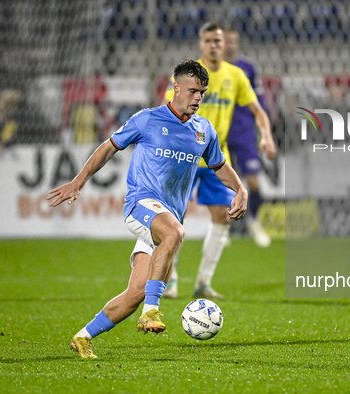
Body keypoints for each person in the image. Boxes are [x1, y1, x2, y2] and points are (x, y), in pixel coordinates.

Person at [48, 59, 247, 358]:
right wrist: (79, 181)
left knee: (136, 293)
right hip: (141, 204)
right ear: (176, 86)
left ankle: (84, 336)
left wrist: (240, 188)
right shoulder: (147, 119)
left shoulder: (204, 130)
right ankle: (152, 312)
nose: (197, 98)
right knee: (175, 233)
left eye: (202, 93)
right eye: (193, 91)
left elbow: (219, 166)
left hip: (165, 218)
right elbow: (108, 146)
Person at [162, 22, 276, 300]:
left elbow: (257, 110)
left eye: (218, 40)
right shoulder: (187, 75)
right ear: (201, 44)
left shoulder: (235, 75)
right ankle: (171, 279)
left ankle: (203, 283)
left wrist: (267, 137)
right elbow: (168, 110)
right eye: (209, 40)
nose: (214, 45)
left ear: (225, 44)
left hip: (215, 160)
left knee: (222, 217)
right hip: (184, 159)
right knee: (174, 218)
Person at [223, 28, 278, 248]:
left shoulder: (248, 69)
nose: (230, 45)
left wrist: (264, 128)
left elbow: (259, 100)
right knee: (222, 183)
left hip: (244, 131)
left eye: (234, 40)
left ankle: (254, 222)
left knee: (254, 182)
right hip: (221, 132)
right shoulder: (210, 69)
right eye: (227, 40)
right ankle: (222, 227)